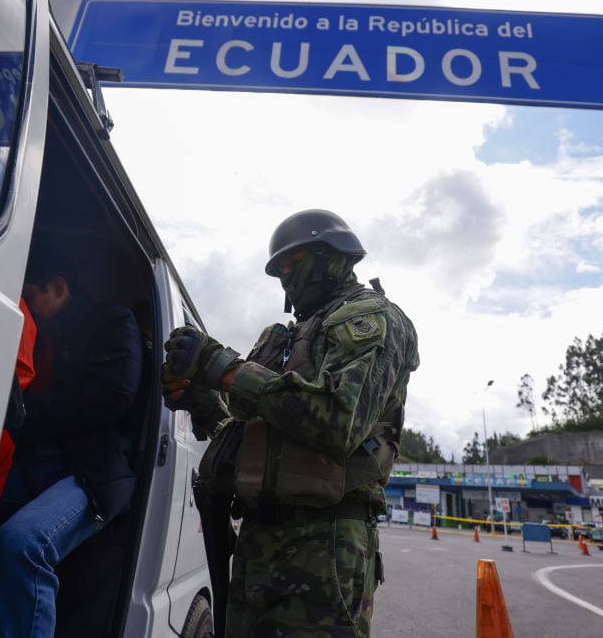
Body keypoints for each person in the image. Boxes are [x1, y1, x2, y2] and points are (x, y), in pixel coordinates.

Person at [163, 209, 420, 637]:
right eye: (278, 269)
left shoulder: (371, 318)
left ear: (328, 256)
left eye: (291, 263)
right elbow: (261, 439)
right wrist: (205, 404)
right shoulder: (289, 337)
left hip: (326, 543)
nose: (284, 277)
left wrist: (224, 370)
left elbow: (339, 421)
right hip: (259, 539)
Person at [0, 246, 143, 637]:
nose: (27, 308)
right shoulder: (34, 333)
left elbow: (110, 398)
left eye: (31, 296)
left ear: (57, 287)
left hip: (89, 471)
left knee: (21, 545)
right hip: (32, 461)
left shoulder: (112, 322)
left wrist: (23, 413)